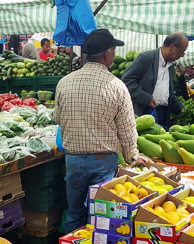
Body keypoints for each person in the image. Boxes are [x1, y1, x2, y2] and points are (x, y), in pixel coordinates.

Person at [55, 29, 149, 233]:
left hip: (73, 160)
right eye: (113, 50)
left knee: (74, 211)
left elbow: (58, 119)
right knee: (100, 214)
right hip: (103, 162)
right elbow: (127, 129)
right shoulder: (117, 86)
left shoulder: (64, 83)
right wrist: (132, 158)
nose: (114, 55)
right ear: (107, 54)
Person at [122, 33, 188, 125]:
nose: (181, 56)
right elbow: (126, 80)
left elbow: (168, 93)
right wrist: (146, 98)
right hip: (144, 113)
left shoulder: (170, 66)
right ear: (172, 46)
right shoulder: (146, 58)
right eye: (182, 52)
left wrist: (182, 109)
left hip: (163, 114)